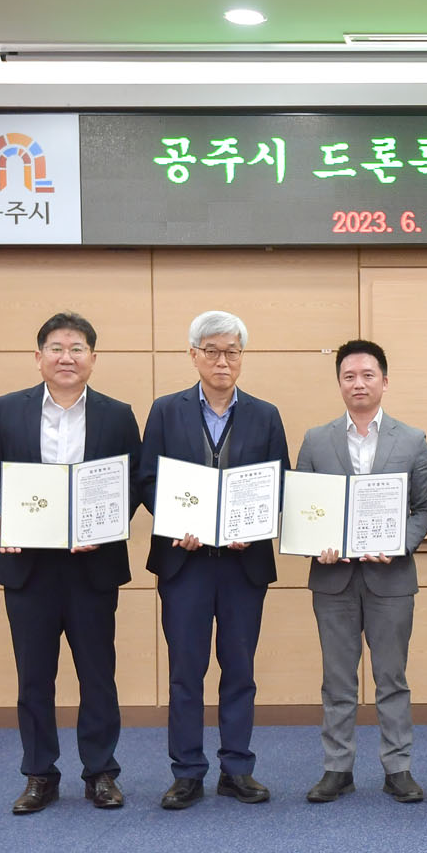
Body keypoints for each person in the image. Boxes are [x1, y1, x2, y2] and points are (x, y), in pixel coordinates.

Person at [0, 312, 142, 815]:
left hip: (93, 567)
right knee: (34, 677)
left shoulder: (117, 415)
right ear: (38, 357)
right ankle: (39, 774)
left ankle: (101, 772)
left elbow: (134, 482)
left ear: (93, 358)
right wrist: (1, 514)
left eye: (77, 348)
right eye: (56, 348)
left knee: (98, 674)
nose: (66, 357)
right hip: (29, 567)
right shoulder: (8, 409)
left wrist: (104, 526)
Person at [137, 310, 289, 810]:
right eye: (212, 351)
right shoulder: (166, 410)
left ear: (242, 357)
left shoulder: (265, 414)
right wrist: (175, 521)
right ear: (194, 355)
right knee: (186, 670)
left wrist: (254, 527)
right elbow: (148, 479)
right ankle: (186, 772)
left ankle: (237, 768)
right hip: (185, 561)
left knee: (239, 668)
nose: (223, 361)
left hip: (244, 563)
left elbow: (279, 482)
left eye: (232, 352)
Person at [295, 339, 427, 804]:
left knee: (391, 678)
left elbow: (424, 507)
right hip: (332, 578)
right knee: (337, 679)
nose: (359, 383)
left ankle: (398, 767)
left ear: (385, 382)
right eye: (349, 376)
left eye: (368, 375)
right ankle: (337, 768)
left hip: (391, 578)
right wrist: (315, 544)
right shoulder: (316, 440)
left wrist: (399, 544)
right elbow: (302, 507)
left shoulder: (411, 439)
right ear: (339, 383)